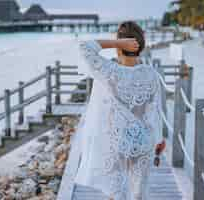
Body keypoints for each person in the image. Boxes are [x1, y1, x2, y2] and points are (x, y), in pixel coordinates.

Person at [74, 21, 166, 200]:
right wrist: (160, 140)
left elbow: (85, 47)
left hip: (116, 141)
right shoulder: (151, 74)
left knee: (117, 194)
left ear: (121, 47)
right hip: (144, 142)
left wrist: (116, 43)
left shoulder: (111, 72)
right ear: (141, 46)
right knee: (138, 194)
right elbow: (155, 111)